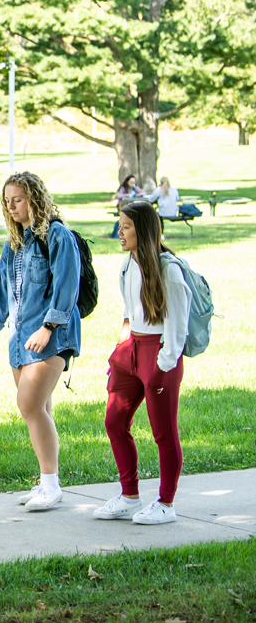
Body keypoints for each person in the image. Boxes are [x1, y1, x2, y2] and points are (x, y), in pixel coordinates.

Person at [0, 172, 82, 512]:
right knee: (39, 410)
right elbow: (0, 292)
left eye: (17, 199)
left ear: (34, 198)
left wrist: (49, 327)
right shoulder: (16, 245)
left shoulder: (58, 236)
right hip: (20, 340)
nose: (11, 207)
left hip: (51, 338)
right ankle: (45, 482)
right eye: (7, 201)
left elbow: (68, 286)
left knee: (30, 406)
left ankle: (51, 487)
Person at [94, 201, 191, 525]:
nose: (119, 232)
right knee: (114, 421)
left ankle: (166, 504)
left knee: (163, 433)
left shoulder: (170, 270)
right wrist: (123, 343)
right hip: (130, 350)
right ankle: (129, 496)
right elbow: (128, 308)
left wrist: (162, 366)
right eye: (119, 225)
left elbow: (177, 327)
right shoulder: (128, 264)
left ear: (143, 230)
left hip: (159, 355)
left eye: (126, 227)